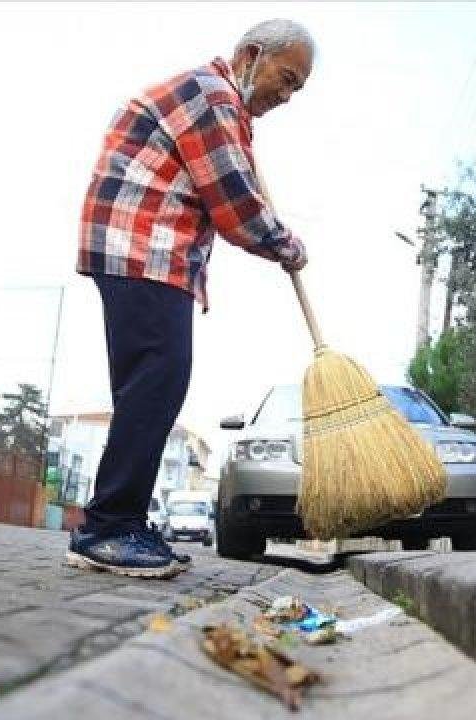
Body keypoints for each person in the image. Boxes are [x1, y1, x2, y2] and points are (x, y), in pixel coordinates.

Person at [67, 19, 315, 578]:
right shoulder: (212, 94)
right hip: (142, 245)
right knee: (158, 382)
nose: (287, 94)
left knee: (148, 388)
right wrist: (286, 244)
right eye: (287, 77)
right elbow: (234, 202)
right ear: (252, 54)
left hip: (145, 251)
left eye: (298, 87)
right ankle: (109, 527)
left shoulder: (225, 106)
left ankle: (118, 521)